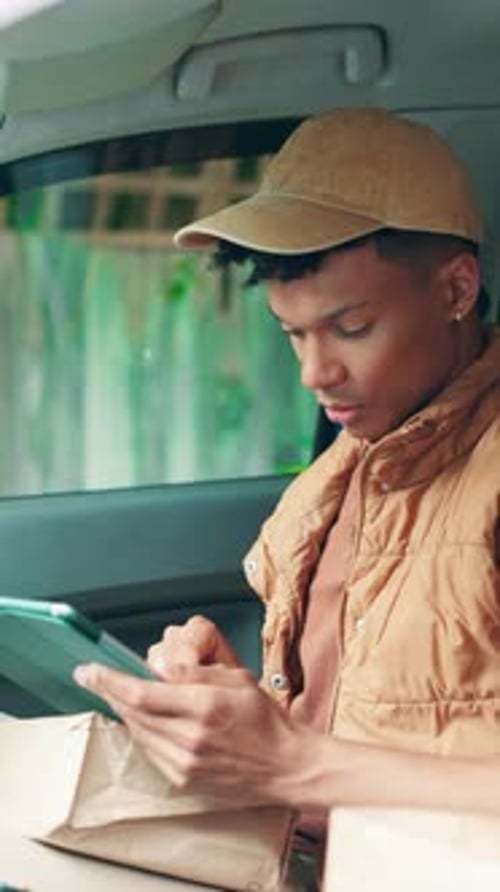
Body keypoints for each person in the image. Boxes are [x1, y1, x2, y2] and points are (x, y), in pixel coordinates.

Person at [74, 108, 500, 880]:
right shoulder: (328, 484)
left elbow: (316, 766)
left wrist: (296, 763)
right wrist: (242, 719)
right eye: (292, 335)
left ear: (456, 289)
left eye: (353, 327)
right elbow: (345, 733)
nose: (315, 374)